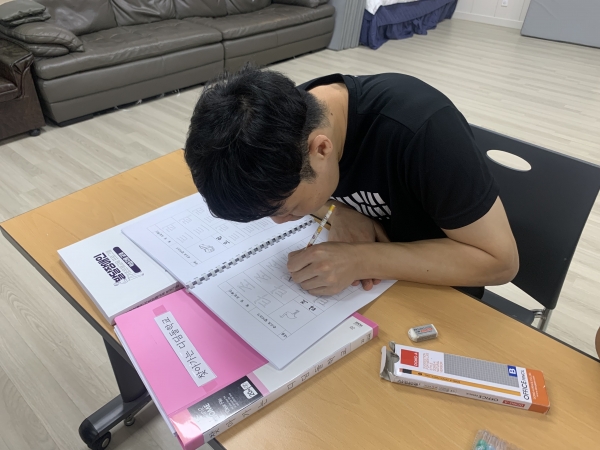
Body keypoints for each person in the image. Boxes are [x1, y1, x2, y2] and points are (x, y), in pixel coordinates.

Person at [184, 65, 519, 297]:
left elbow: (500, 262)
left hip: (440, 292)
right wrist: (340, 211)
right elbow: (315, 193)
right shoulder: (285, 122)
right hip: (372, 292)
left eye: (287, 208)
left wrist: (359, 259)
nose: (281, 221)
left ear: (321, 149)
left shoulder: (422, 130)